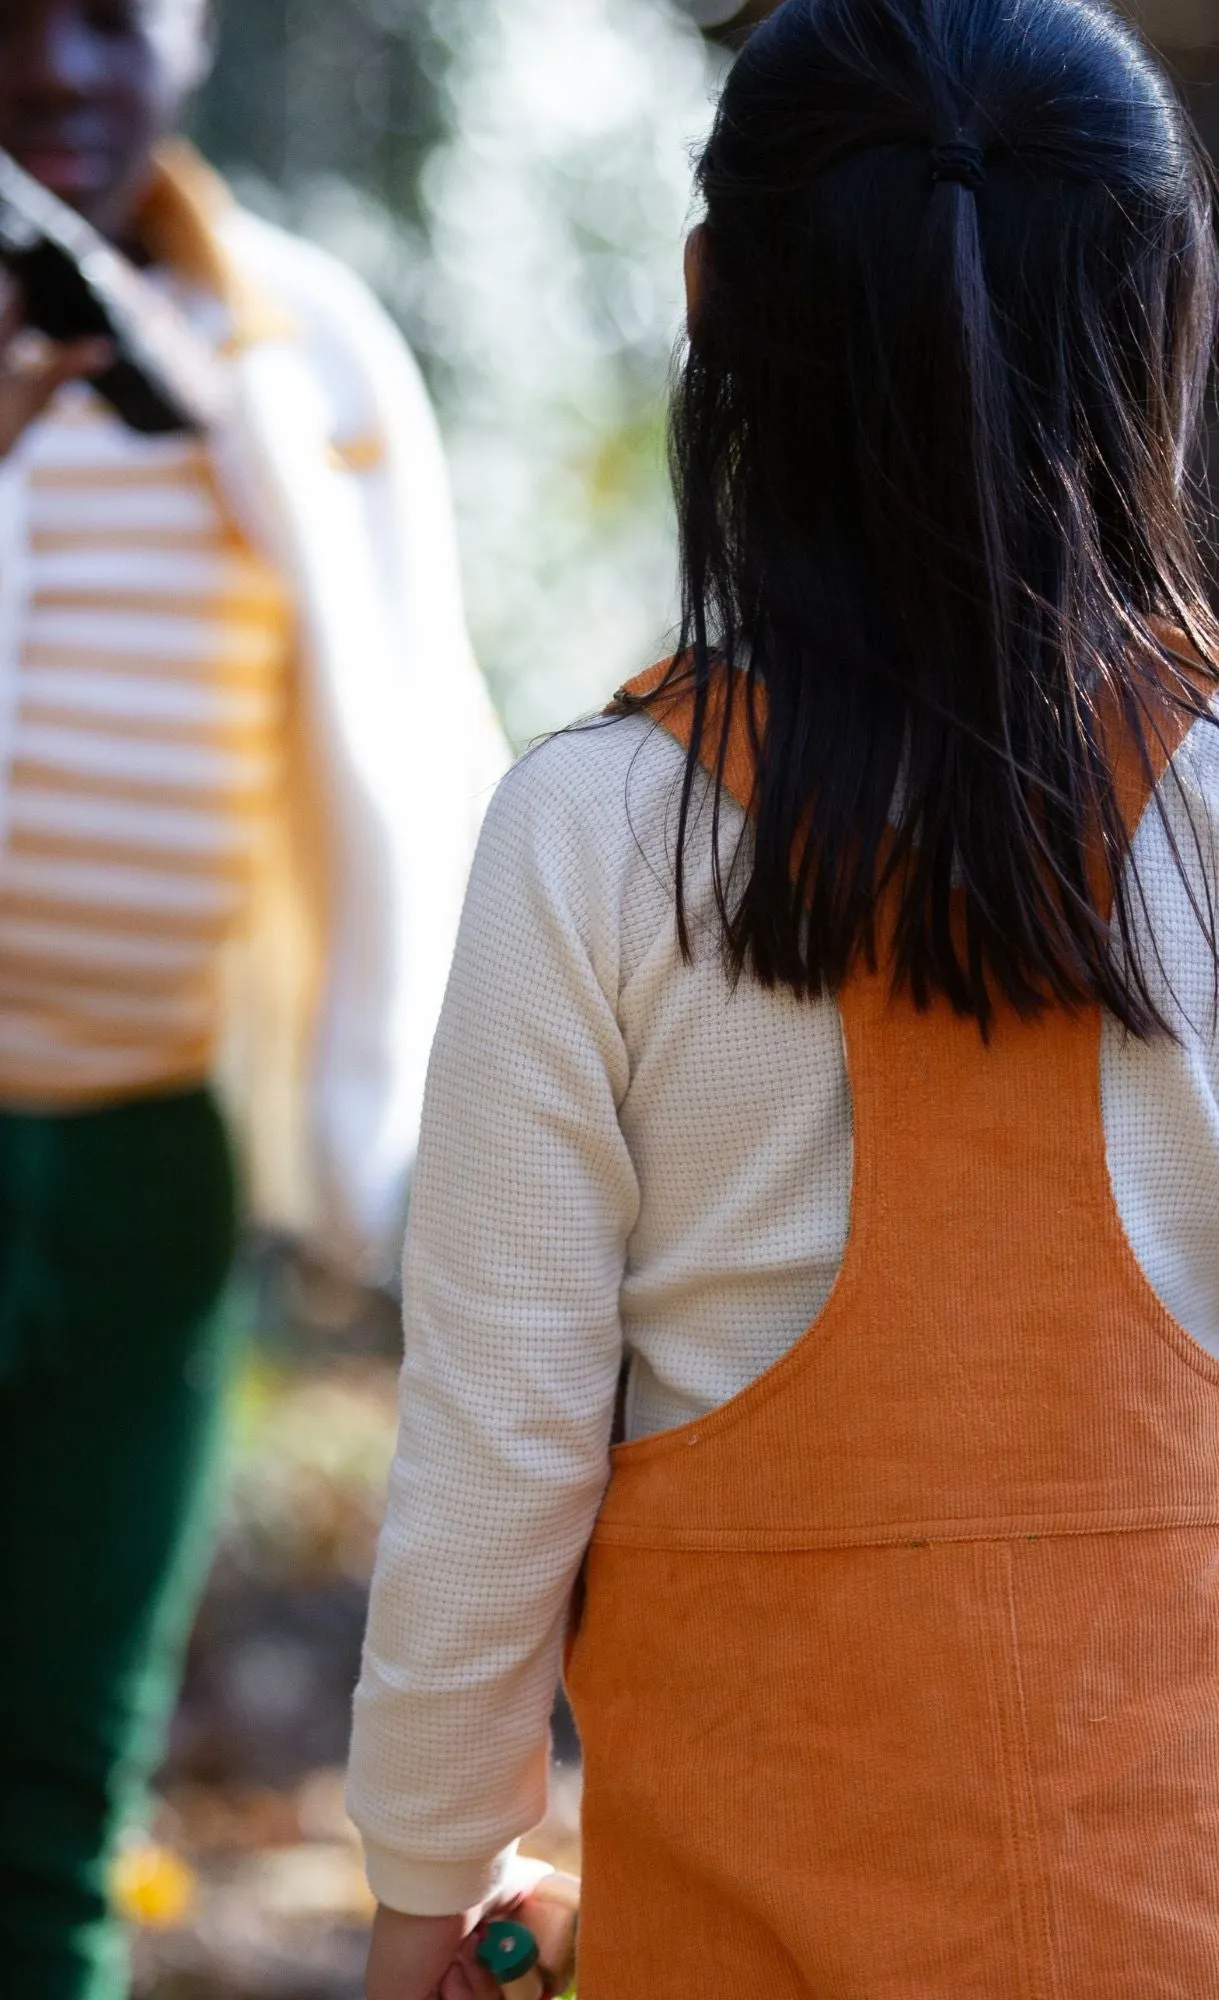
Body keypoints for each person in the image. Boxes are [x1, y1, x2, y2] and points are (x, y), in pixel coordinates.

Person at [348, 0, 1219, 1993]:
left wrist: (419, 1895)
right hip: (1199, 1933)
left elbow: (494, 1452)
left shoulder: (591, 839)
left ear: (711, 300)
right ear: (1164, 314)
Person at [0, 3, 506, 1995]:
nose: (59, 71)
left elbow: (424, 760)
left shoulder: (308, 354)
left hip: (148, 1160)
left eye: (118, 12)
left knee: (57, 1768)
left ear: (197, 35)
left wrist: (418, 1153)